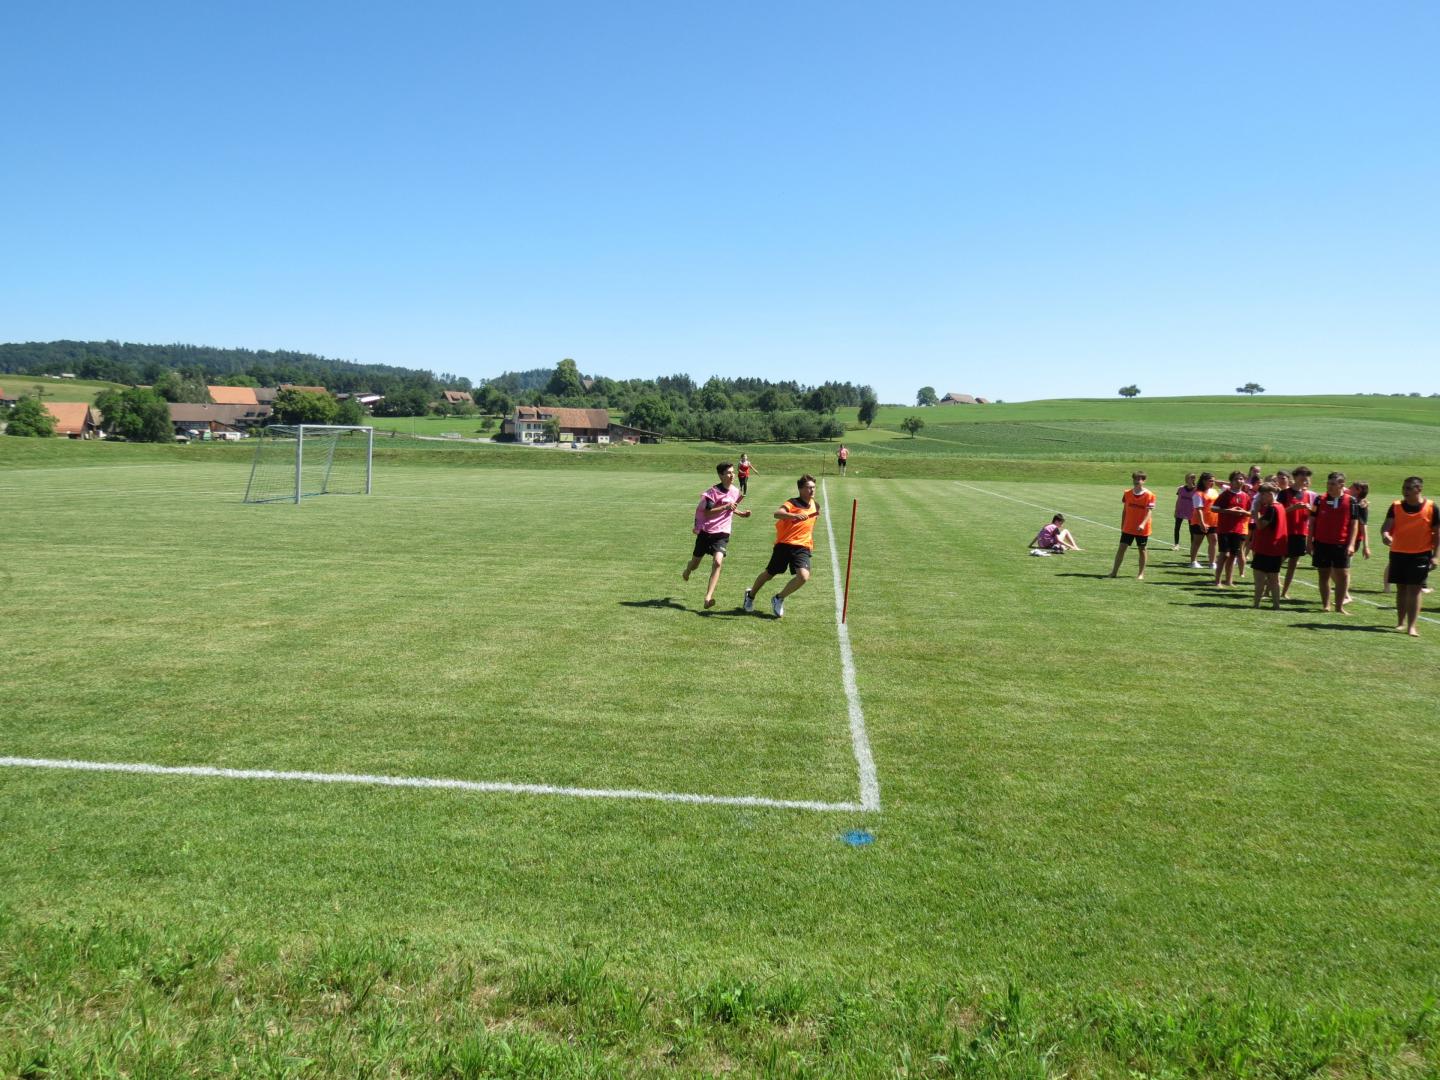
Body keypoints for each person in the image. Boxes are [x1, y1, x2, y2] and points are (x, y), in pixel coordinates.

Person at [745, 475, 820, 619]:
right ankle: (750, 595)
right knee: (769, 574)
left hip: (802, 546)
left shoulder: (815, 505)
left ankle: (779, 598)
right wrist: (793, 516)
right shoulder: (792, 502)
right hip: (784, 544)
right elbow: (777, 514)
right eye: (809, 487)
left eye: (813, 487)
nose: (812, 490)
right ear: (800, 489)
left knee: (803, 577)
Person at [683, 461, 751, 609]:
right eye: (728, 473)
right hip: (707, 532)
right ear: (720, 475)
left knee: (718, 562)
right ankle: (688, 569)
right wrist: (725, 506)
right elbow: (707, 512)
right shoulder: (712, 492)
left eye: (733, 472)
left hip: (722, 533)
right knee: (695, 564)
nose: (732, 475)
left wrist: (741, 513)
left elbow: (731, 508)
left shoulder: (735, 491)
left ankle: (708, 598)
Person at [1380, 476, 1439, 637]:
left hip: (1420, 555)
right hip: (1398, 553)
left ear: (1419, 489)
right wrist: (1385, 535)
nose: (1404, 491)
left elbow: (1437, 534)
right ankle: (1400, 622)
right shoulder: (1396, 506)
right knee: (1401, 589)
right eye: (1403, 488)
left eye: (1408, 488)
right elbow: (1386, 526)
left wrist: (1436, 556)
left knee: (1415, 589)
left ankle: (1412, 626)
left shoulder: (1432, 507)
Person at [1308, 471, 1358, 614]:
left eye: (1333, 484)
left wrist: (1351, 544)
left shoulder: (1351, 501)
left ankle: (1339, 607)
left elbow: (1354, 524)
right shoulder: (1319, 500)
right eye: (1328, 483)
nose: (1329, 486)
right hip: (1321, 543)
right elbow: (1312, 522)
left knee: (1343, 575)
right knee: (1323, 574)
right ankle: (1326, 605)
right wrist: (1309, 541)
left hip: (1341, 544)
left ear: (1341, 485)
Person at [1245, 483, 1288, 609]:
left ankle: (1256, 604)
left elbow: (1260, 526)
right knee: (1274, 579)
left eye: (1262, 495)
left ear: (1270, 494)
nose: (1260, 498)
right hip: (1276, 549)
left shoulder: (1272, 508)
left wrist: (1256, 512)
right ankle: (1276, 605)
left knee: (1259, 578)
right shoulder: (1280, 506)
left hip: (1266, 548)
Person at [1277, 466, 1316, 598]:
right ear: (1295, 477)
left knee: (1293, 564)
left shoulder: (1308, 495)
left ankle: (1284, 592)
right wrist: (1294, 508)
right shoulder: (1284, 493)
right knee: (1277, 562)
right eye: (1302, 475)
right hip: (1285, 532)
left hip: (1300, 533)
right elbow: (1278, 512)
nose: (1305, 478)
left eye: (1307, 476)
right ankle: (1268, 589)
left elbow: (1312, 515)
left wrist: (1309, 510)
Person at [1110, 471, 1155, 579]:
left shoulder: (1150, 495)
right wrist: (1122, 524)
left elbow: (1149, 512)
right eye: (1135, 479)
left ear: (1144, 481)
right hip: (1128, 527)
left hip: (1142, 529)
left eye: (1139, 479)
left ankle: (1141, 574)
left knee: (1142, 549)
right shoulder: (1127, 493)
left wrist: (1142, 524)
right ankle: (1114, 572)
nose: (1137, 481)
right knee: (1121, 548)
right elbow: (1125, 510)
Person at [1211, 470, 1252, 587]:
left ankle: (1229, 581)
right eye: (1236, 479)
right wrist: (1228, 511)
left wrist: (1243, 512)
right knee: (1224, 554)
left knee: (1233, 555)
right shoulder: (1225, 494)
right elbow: (1213, 508)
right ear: (1231, 481)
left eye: (1241, 479)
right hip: (1224, 529)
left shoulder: (1246, 496)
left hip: (1238, 529)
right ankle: (1217, 581)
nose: (1239, 481)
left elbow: (1250, 512)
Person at [1341, 480, 1370, 607]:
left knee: (1344, 568)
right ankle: (1344, 594)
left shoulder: (1361, 506)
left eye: (1352, 486)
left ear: (1358, 490)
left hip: (1353, 540)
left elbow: (1363, 526)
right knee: (1336, 568)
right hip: (1341, 538)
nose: (1348, 487)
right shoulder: (1348, 499)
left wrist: (1366, 546)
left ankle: (1346, 596)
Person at [1187, 472, 1220, 569]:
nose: (1212, 483)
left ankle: (1212, 563)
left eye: (1213, 481)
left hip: (1213, 521)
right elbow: (1199, 509)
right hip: (1199, 522)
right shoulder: (1198, 493)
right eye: (1210, 481)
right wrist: (1202, 523)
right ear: (1204, 481)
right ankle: (1193, 561)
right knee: (1197, 542)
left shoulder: (1214, 491)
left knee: (1214, 541)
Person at [1172, 473, 1199, 551]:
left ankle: (1192, 546)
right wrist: (1176, 510)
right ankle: (1176, 544)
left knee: (1192, 530)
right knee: (1177, 527)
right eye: (1188, 478)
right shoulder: (1181, 488)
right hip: (1181, 510)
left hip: (1191, 512)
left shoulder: (1196, 490)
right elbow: (1178, 500)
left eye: (1192, 478)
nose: (1189, 479)